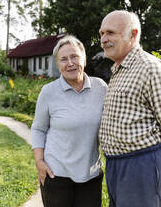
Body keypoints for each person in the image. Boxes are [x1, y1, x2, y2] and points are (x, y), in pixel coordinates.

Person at [98, 10, 161, 207]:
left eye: (110, 33)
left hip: (142, 168)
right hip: (118, 166)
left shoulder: (149, 69)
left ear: (133, 35)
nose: (103, 39)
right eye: (101, 34)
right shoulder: (120, 69)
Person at [31, 35, 107, 207]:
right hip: (56, 175)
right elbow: (38, 129)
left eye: (74, 56)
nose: (70, 63)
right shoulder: (49, 92)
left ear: (84, 59)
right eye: (63, 59)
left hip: (91, 174)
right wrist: (39, 162)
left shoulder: (101, 88)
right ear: (58, 65)